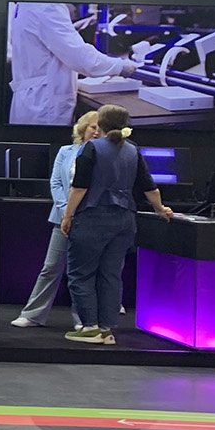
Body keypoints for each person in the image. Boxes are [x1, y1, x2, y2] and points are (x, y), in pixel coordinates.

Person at [60, 104, 175, 345]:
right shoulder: (133, 150)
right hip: (125, 221)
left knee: (81, 274)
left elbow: (79, 187)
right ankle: (106, 330)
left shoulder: (91, 148)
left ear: (100, 123)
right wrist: (160, 209)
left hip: (93, 218)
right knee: (111, 275)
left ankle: (89, 328)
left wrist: (67, 216)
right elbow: (150, 187)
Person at [11, 111, 100, 329]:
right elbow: (56, 183)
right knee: (50, 267)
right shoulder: (65, 151)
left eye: (100, 128)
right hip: (62, 218)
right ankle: (33, 314)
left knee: (83, 272)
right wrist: (65, 210)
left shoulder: (104, 154)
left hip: (90, 218)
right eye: (93, 127)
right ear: (83, 128)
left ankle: (83, 319)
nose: (96, 132)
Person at [9, 2, 137, 126]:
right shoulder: (47, 7)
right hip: (45, 105)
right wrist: (121, 67)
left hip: (31, 100)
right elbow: (80, 57)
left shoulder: (26, 5)